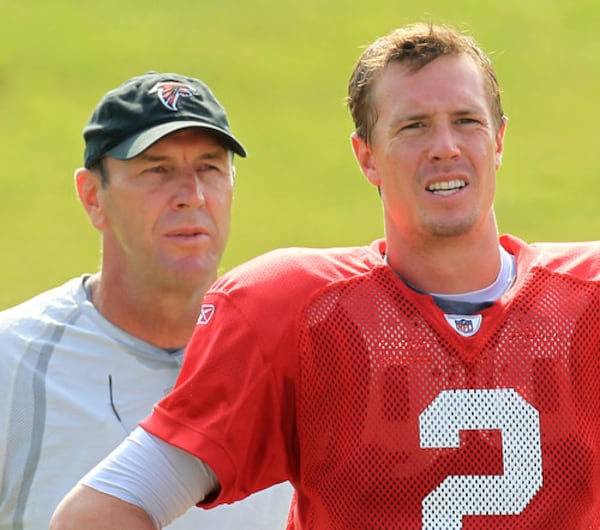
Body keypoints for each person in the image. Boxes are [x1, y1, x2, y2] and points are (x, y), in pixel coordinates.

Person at [51, 24, 599, 530]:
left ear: (499, 140)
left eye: (466, 121)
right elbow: (101, 512)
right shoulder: (297, 310)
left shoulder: (587, 301)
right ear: (367, 157)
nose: (445, 147)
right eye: (413, 126)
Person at [0, 71, 293, 529]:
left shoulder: (294, 362)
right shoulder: (10, 363)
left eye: (209, 168)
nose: (191, 196)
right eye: (157, 169)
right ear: (93, 196)